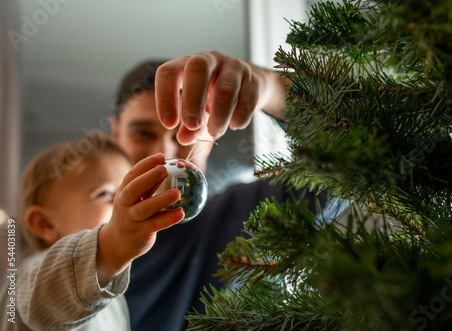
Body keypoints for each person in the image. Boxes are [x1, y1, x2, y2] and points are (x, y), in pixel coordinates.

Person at [110, 51, 307, 331]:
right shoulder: (81, 241)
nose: (165, 154)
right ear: (116, 135)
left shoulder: (251, 214)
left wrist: (272, 88)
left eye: (184, 130)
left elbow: (353, 163)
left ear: (210, 132)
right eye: (143, 133)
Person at [0, 132, 184, 330]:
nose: (124, 204)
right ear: (45, 224)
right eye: (105, 193)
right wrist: (113, 244)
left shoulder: (114, 297)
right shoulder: (28, 279)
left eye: (127, 191)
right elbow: (47, 297)